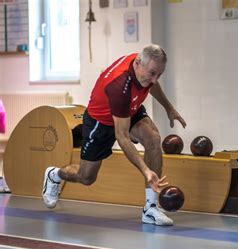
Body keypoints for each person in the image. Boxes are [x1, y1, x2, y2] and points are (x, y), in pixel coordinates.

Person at [42, 44, 186, 226]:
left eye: (159, 75)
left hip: (128, 109)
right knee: (86, 177)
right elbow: (123, 137)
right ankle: (55, 175)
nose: (155, 80)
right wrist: (146, 170)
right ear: (138, 63)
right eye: (152, 74)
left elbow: (152, 84)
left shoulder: (145, 67)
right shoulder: (120, 86)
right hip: (100, 122)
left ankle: (150, 208)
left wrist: (169, 108)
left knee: (153, 139)